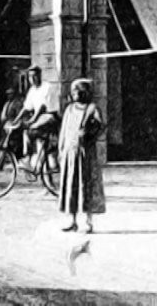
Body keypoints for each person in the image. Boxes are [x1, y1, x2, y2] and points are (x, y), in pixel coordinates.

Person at [57, 78, 105, 233]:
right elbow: (64, 131)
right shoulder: (69, 109)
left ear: (84, 92)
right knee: (70, 186)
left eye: (77, 91)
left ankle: (87, 221)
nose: (74, 94)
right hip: (69, 154)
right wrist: (61, 149)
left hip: (85, 155)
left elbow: (101, 127)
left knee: (86, 186)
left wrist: (89, 133)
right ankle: (71, 219)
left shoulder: (92, 109)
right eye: (73, 92)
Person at [4, 65, 61, 170]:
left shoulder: (47, 87)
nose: (32, 79)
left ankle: (29, 159)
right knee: (26, 131)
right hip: (39, 117)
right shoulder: (32, 90)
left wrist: (32, 120)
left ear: (40, 75)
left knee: (30, 128)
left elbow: (42, 107)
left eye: (35, 76)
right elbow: (26, 107)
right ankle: (30, 158)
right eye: (30, 77)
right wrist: (16, 120)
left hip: (50, 116)